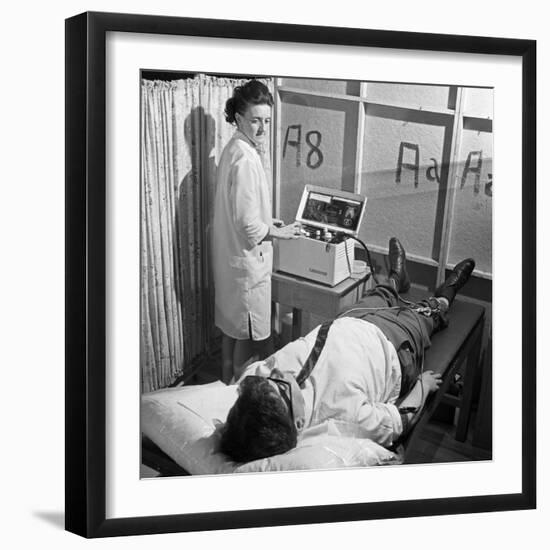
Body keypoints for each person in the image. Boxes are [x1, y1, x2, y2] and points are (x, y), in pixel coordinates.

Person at [220, 237, 476, 463]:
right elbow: (397, 422)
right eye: (280, 384)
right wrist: (423, 386)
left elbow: (243, 384)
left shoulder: (263, 383)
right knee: (425, 313)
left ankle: (396, 280)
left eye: (267, 381)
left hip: (350, 320)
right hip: (393, 347)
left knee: (378, 293)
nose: (276, 371)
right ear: (298, 423)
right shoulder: (343, 419)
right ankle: (447, 293)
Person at [212, 80, 301, 383]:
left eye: (267, 121)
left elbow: (240, 211)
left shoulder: (233, 149)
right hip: (246, 268)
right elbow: (248, 226)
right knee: (248, 345)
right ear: (238, 118)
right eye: (255, 120)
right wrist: (281, 232)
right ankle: (236, 398)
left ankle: (223, 387)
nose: (263, 128)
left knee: (231, 332)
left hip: (230, 263)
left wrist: (267, 221)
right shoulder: (246, 160)